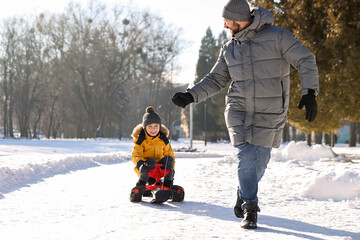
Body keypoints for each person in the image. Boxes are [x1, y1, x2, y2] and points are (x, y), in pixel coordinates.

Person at [172, 0, 318, 229]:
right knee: (246, 157)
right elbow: (216, 79)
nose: (224, 26)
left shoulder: (279, 37)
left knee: (259, 162)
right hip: (238, 110)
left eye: (227, 21)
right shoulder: (230, 48)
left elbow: (306, 59)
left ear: (239, 20)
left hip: (270, 111)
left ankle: (244, 190)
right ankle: (250, 207)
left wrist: (310, 92)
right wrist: (191, 95)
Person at [130, 106, 175, 202]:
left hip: (161, 168)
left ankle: (168, 184)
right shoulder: (141, 139)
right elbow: (136, 154)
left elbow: (170, 154)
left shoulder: (163, 139)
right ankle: (142, 183)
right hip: (147, 168)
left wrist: (172, 170)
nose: (153, 129)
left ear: (159, 126)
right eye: (150, 126)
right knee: (151, 161)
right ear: (145, 127)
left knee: (169, 159)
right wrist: (140, 165)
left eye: (156, 126)